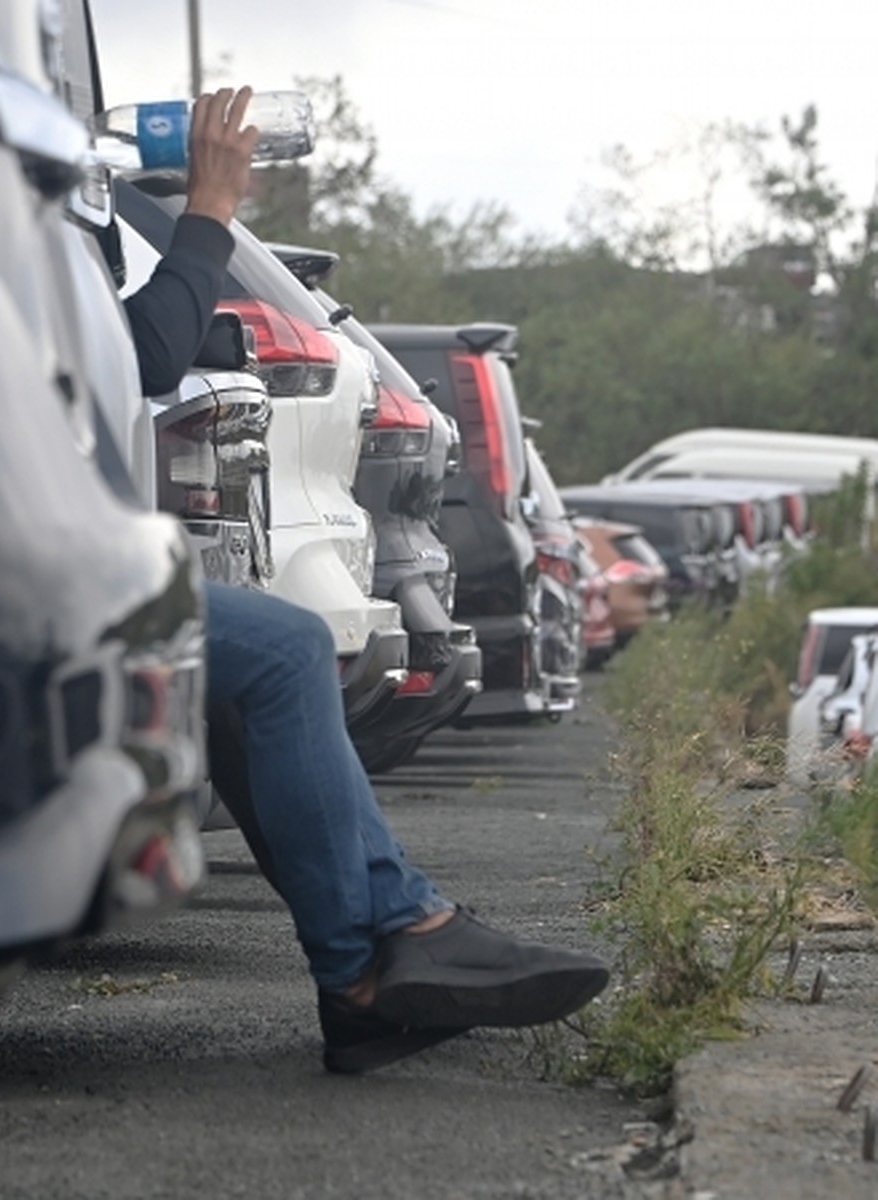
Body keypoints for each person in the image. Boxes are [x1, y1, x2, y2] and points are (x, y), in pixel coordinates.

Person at [119, 87, 609, 1074]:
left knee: (263, 654)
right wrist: (208, 208)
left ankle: (389, 942)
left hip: (20, 561)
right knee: (279, 649)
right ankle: (376, 957)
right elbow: (147, 351)